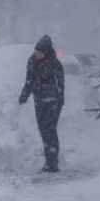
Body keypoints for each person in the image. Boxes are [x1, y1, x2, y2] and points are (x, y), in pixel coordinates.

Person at [18, 35, 65, 173]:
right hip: (39, 102)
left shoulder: (54, 64)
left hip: (52, 102)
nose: (36, 54)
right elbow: (29, 81)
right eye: (36, 51)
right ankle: (49, 161)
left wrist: (60, 100)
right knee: (43, 132)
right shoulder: (32, 62)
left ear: (46, 52)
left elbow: (60, 84)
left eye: (39, 52)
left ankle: (52, 163)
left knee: (50, 131)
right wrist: (24, 96)